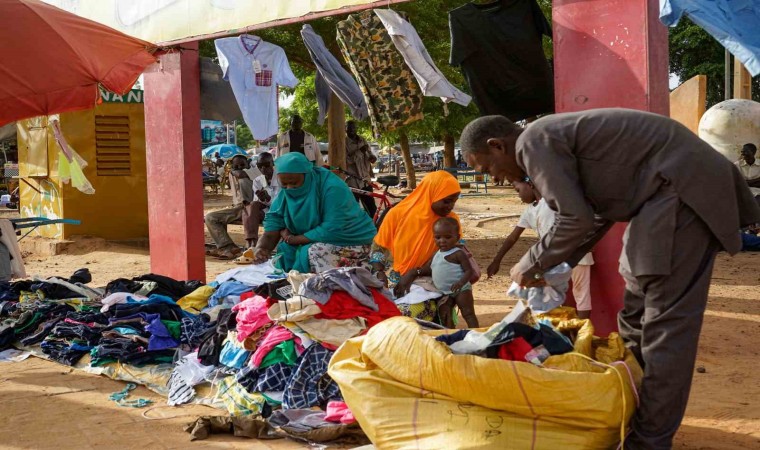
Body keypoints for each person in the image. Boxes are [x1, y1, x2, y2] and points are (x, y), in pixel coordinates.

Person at [459, 109, 760, 450]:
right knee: (634, 314)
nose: (494, 178)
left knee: (664, 329)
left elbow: (575, 217)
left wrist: (530, 262)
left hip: (681, 193)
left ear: (497, 145)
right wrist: (556, 265)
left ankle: (648, 441)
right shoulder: (546, 140)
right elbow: (593, 214)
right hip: (659, 200)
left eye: (487, 168)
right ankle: (631, 411)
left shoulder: (533, 141)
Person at [487, 178, 594, 319]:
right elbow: (512, 237)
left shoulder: (553, 201)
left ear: (530, 184)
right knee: (549, 292)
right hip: (553, 258)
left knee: (581, 293)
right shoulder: (529, 211)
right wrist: (497, 260)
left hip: (577, 253)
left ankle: (584, 331)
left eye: (518, 190)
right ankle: (559, 330)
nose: (518, 195)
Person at [253, 153, 376, 273]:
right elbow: (273, 224)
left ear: (307, 176)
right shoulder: (285, 194)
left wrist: (293, 239)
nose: (289, 188)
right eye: (284, 185)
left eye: (294, 183)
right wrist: (261, 249)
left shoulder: (332, 187)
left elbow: (332, 228)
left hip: (353, 241)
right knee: (285, 251)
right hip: (313, 239)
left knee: (314, 252)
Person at [371, 171, 461, 322]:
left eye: (454, 201)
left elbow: (453, 259)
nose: (450, 206)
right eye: (446, 201)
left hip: (433, 282)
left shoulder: (450, 222)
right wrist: (379, 273)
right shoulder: (397, 214)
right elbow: (379, 248)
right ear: (430, 194)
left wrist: (415, 273)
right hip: (397, 282)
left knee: (406, 316)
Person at [415, 217, 479, 328]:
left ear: (457, 237)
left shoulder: (458, 253)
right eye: (438, 237)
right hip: (445, 292)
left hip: (461, 289)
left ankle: (476, 334)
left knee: (468, 313)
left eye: (447, 237)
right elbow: (430, 268)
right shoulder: (436, 254)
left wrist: (460, 283)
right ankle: (450, 335)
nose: (442, 241)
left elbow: (469, 271)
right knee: (445, 314)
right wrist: (414, 272)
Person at [205, 154, 261, 259]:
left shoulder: (255, 171)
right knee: (211, 217)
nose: (240, 167)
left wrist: (233, 170)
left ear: (248, 164)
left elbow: (240, 174)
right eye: (237, 165)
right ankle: (228, 247)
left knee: (211, 218)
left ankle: (227, 248)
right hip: (240, 208)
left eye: (242, 164)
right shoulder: (233, 173)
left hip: (250, 209)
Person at [233, 152, 276, 248]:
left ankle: (251, 243)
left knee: (248, 209)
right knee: (251, 206)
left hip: (278, 212)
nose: (263, 168)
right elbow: (257, 203)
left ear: (272, 163)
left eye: (266, 165)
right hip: (264, 212)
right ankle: (251, 242)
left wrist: (268, 199)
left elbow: (282, 203)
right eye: (260, 166)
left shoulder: (281, 178)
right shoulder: (257, 180)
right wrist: (262, 199)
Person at [345, 120, 378, 218]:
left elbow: (368, 153)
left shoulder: (362, 140)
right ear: (345, 129)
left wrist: (372, 157)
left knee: (372, 208)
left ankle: (374, 228)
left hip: (365, 180)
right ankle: (357, 230)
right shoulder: (344, 142)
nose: (351, 130)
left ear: (356, 129)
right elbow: (347, 160)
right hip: (353, 181)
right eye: (349, 128)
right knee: (353, 210)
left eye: (353, 127)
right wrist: (359, 151)